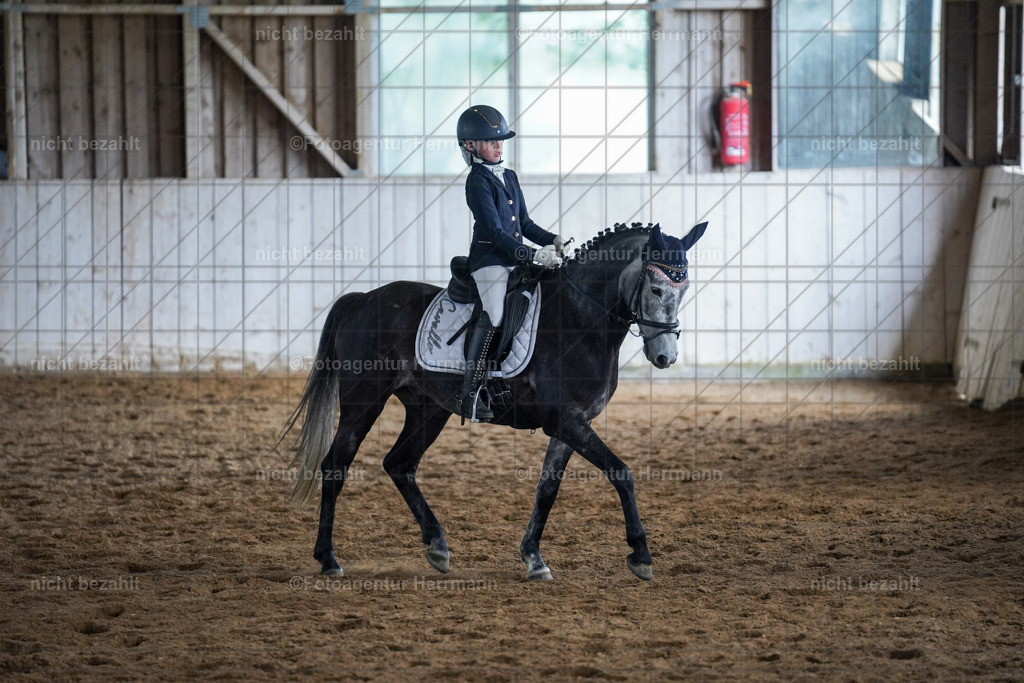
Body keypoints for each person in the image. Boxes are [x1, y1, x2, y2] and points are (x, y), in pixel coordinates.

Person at [454, 104, 564, 422]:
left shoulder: (509, 176)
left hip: (515, 258)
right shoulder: (477, 182)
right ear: (470, 145)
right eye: (491, 141)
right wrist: (532, 255)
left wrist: (553, 239)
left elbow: (525, 224)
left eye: (500, 140)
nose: (498, 146)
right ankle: (470, 392)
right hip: (490, 260)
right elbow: (494, 232)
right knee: (495, 312)